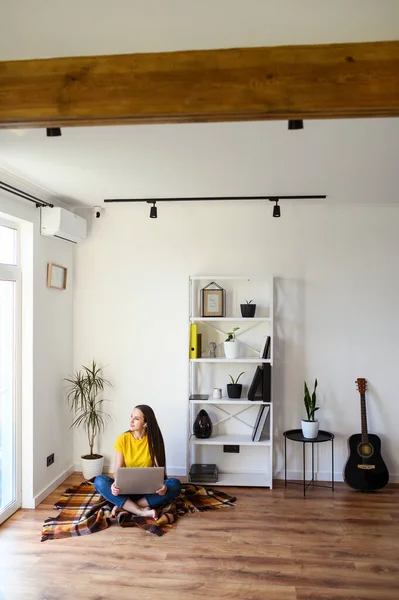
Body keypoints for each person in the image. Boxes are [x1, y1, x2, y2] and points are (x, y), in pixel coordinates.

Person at [94, 404, 181, 519]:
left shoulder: (154, 440)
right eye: (131, 417)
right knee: (99, 481)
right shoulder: (123, 439)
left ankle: (127, 506)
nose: (131, 421)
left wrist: (163, 486)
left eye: (136, 419)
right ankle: (140, 511)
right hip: (125, 490)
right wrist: (115, 484)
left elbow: (159, 471)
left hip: (148, 491)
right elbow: (117, 470)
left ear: (145, 423)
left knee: (175, 485)